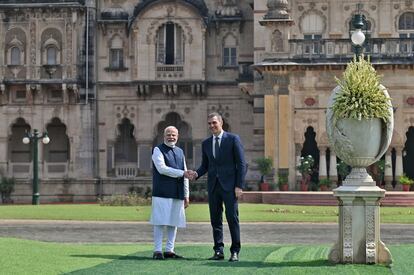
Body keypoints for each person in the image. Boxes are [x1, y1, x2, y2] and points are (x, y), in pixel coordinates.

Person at [191, 112, 247, 262]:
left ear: (221, 123)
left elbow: (242, 164)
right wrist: (196, 173)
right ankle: (218, 251)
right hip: (213, 186)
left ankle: (235, 251)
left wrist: (239, 186)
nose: (212, 126)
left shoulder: (233, 139)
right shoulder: (206, 143)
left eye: (214, 123)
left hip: (230, 187)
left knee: (232, 218)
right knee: (215, 220)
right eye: (209, 123)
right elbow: (205, 166)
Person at [150, 126, 193, 260]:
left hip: (177, 191)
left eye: (173, 135)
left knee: (174, 221)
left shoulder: (180, 152)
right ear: (164, 136)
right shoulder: (158, 150)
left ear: (177, 136)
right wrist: (182, 173)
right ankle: (157, 250)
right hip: (162, 191)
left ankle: (169, 250)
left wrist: (186, 195)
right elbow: (162, 169)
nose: (171, 137)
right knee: (160, 221)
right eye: (168, 134)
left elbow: (185, 172)